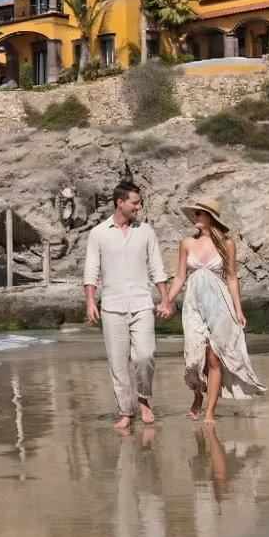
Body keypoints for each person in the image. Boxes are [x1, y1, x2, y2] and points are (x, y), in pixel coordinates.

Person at [160, 197, 266, 424]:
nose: (195, 217)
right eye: (194, 214)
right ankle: (198, 394)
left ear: (210, 217)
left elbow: (231, 277)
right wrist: (167, 301)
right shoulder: (187, 243)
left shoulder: (227, 244)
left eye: (199, 214)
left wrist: (239, 310)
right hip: (193, 305)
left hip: (220, 303)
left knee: (215, 358)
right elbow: (180, 277)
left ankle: (209, 411)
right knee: (195, 357)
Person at [84, 180, 170, 429]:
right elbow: (91, 270)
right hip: (111, 306)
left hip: (143, 303)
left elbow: (156, 267)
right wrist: (91, 301)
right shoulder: (98, 233)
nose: (139, 207)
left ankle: (143, 399)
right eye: (135, 202)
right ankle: (125, 411)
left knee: (145, 355)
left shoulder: (146, 231)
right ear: (119, 203)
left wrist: (164, 299)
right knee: (118, 363)